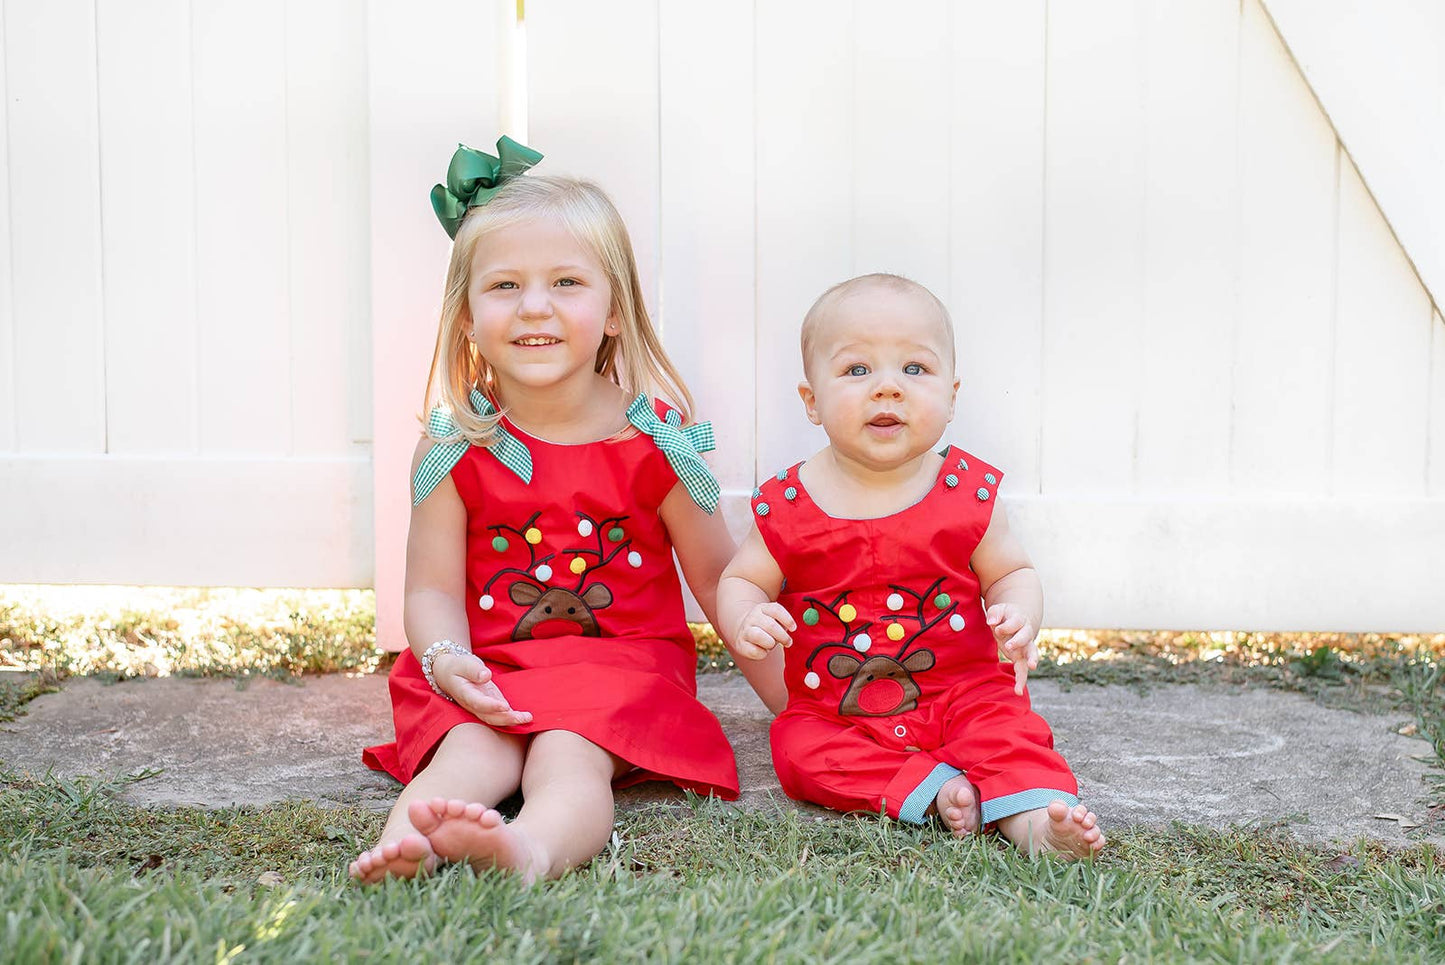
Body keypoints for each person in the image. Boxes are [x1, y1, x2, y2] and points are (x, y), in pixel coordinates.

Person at [352, 138, 739, 884]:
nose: (535, 306)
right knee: (472, 749)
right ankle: (406, 843)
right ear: (465, 316)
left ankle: (528, 849)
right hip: (490, 664)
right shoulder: (454, 444)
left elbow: (723, 582)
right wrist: (445, 658)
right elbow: (431, 588)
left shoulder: (655, 443)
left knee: (568, 755)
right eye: (504, 285)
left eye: (566, 281)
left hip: (616, 667)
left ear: (615, 311)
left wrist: (798, 702)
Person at [717, 273, 1105, 858]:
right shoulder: (788, 506)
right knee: (797, 750)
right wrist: (747, 617)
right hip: (838, 712)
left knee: (1010, 732)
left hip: (965, 693)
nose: (887, 389)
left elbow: (1011, 572)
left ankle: (1036, 825)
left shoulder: (964, 491)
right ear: (812, 401)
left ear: (951, 394)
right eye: (856, 371)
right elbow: (743, 579)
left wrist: (1019, 611)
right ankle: (932, 790)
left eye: (914, 370)